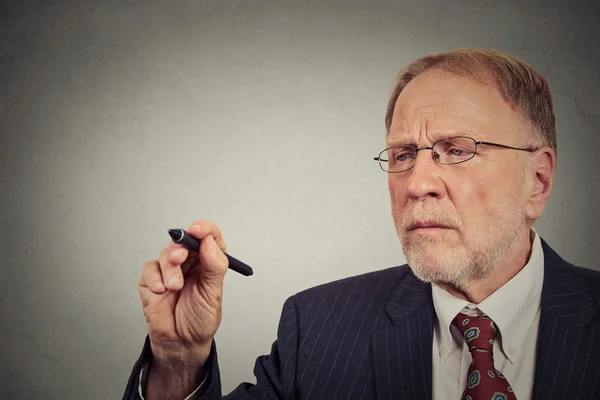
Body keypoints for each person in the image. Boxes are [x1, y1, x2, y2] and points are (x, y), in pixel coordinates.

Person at [123, 49, 600, 400]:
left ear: (537, 181)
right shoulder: (318, 328)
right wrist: (180, 359)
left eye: (457, 150)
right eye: (402, 155)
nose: (417, 183)